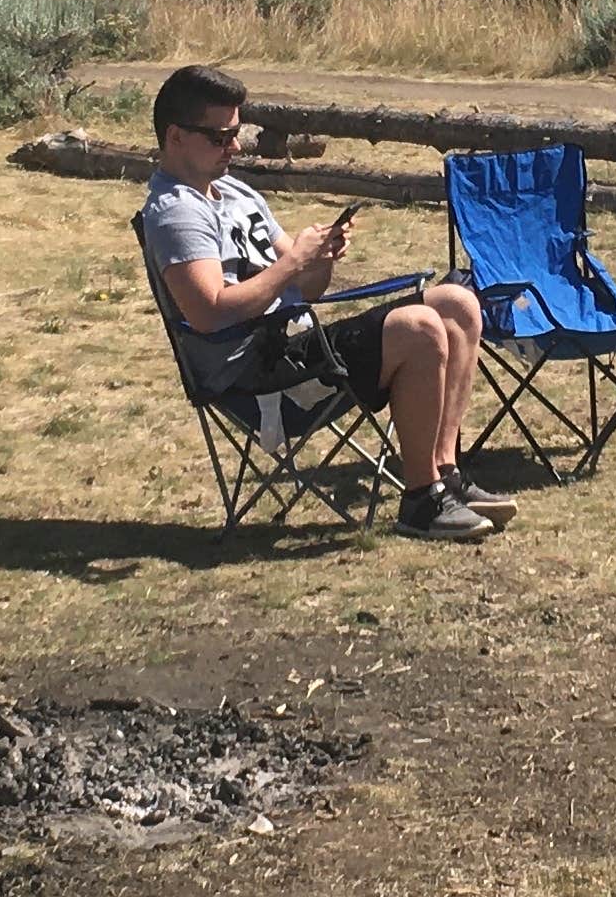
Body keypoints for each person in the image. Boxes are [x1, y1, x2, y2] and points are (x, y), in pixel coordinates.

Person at [138, 64, 508, 543]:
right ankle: (421, 501)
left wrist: (320, 257)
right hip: (258, 377)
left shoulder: (234, 192)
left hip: (295, 347)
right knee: (419, 328)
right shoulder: (176, 213)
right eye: (219, 137)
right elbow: (209, 311)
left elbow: (303, 288)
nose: (233, 147)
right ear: (175, 137)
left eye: (236, 134)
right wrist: (294, 263)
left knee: (457, 304)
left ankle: (444, 475)